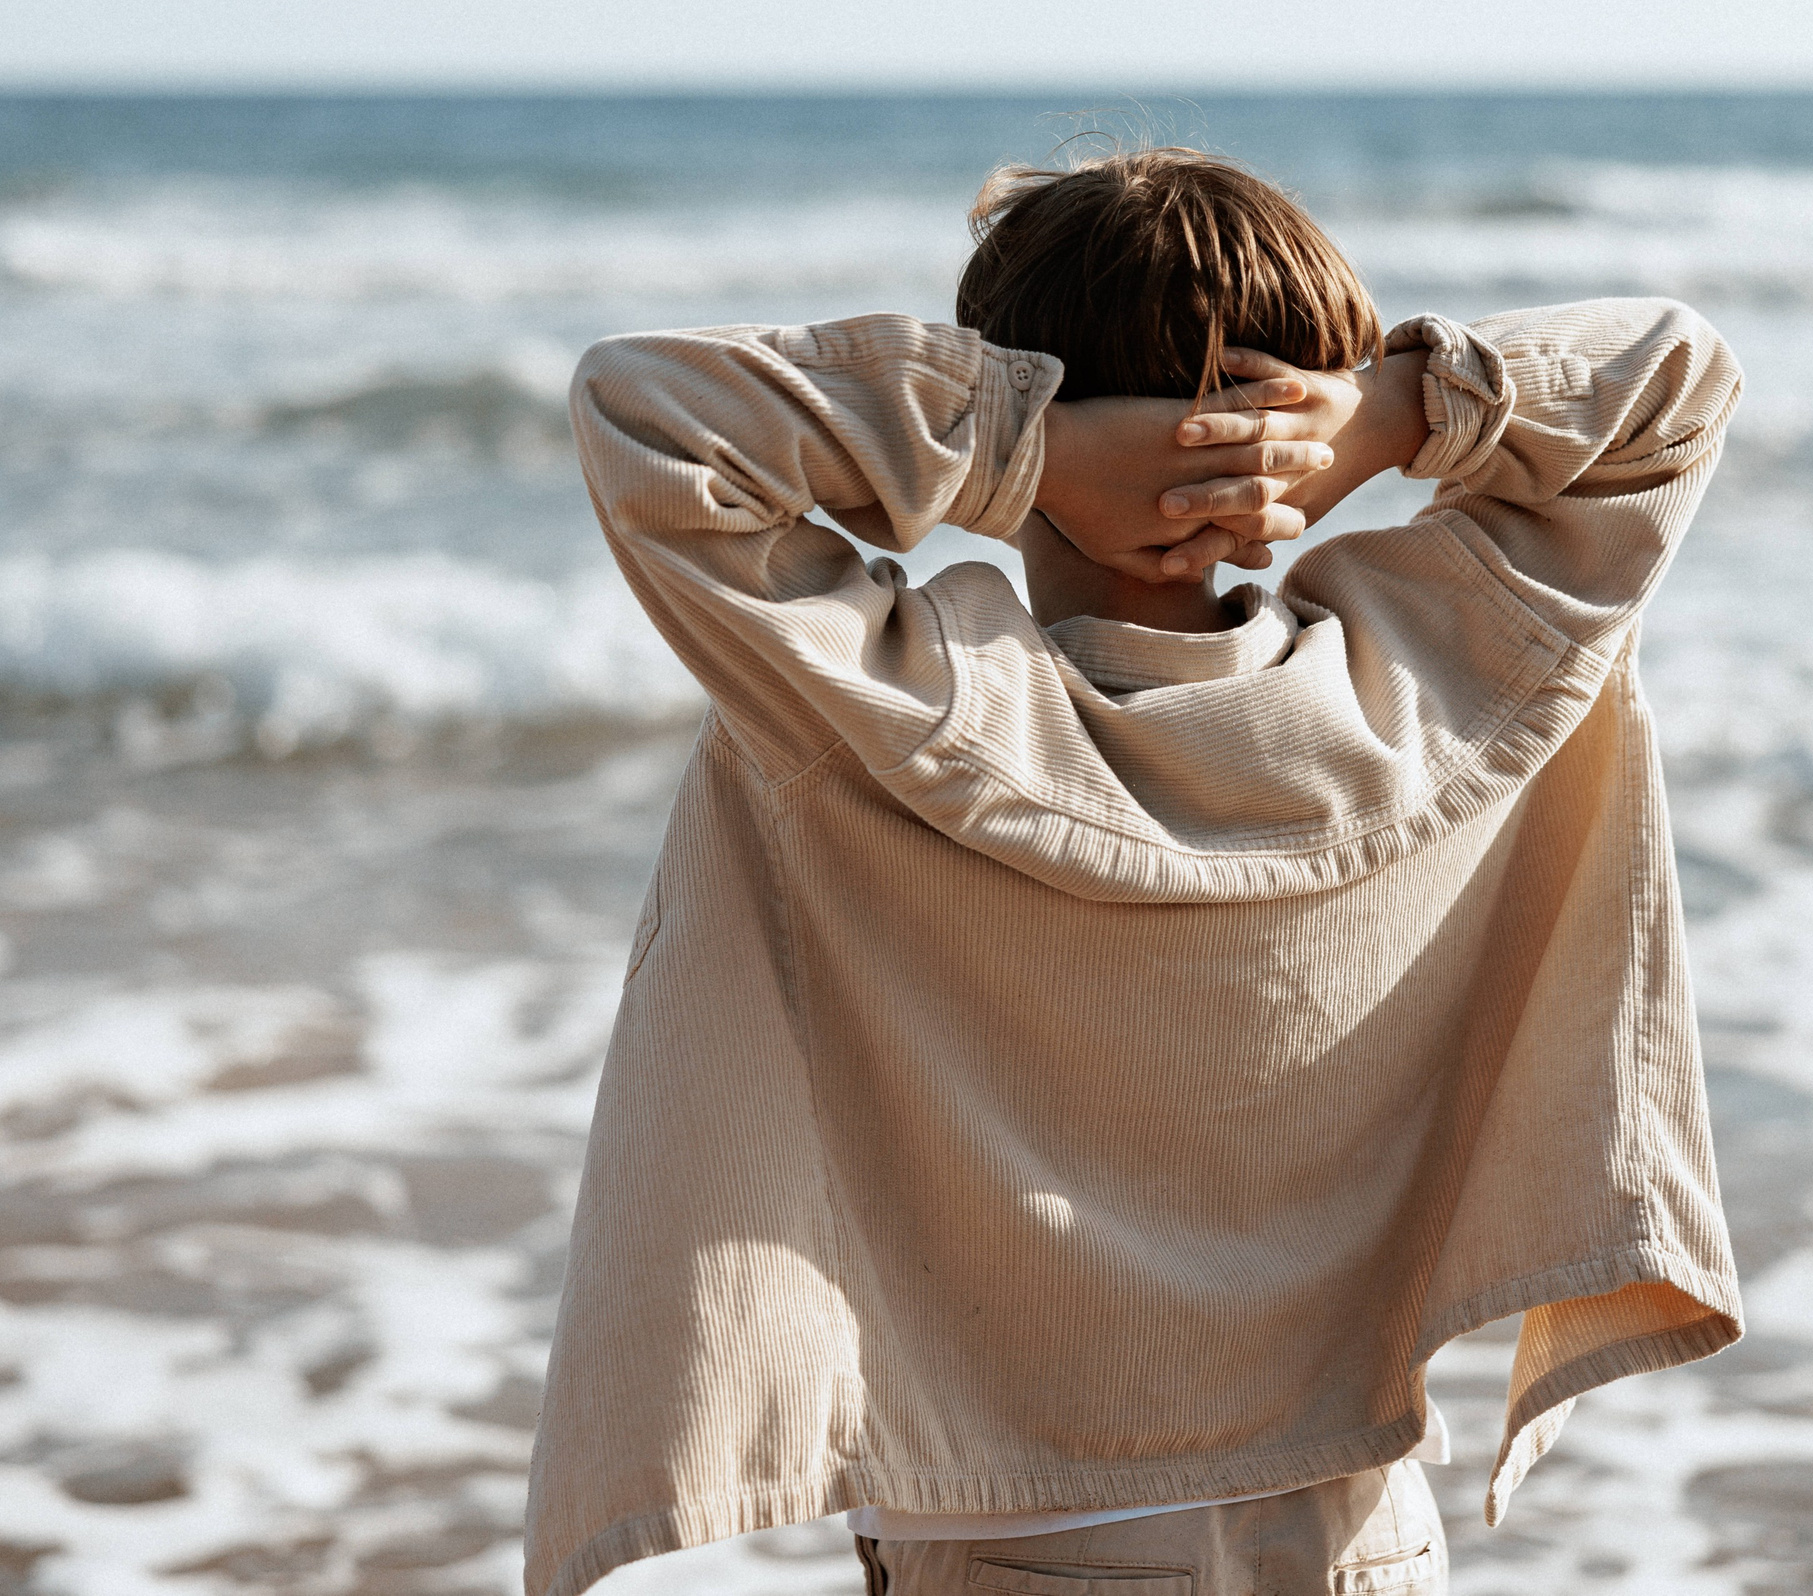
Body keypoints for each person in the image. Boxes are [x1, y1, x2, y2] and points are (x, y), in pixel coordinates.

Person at [524, 146, 1745, 1596]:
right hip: (1359, 1518)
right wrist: (1393, 416)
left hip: (1016, 1522)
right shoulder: (1433, 682)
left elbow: (645, 411)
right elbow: (1675, 381)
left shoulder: (890, 702)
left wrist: (1022, 452)